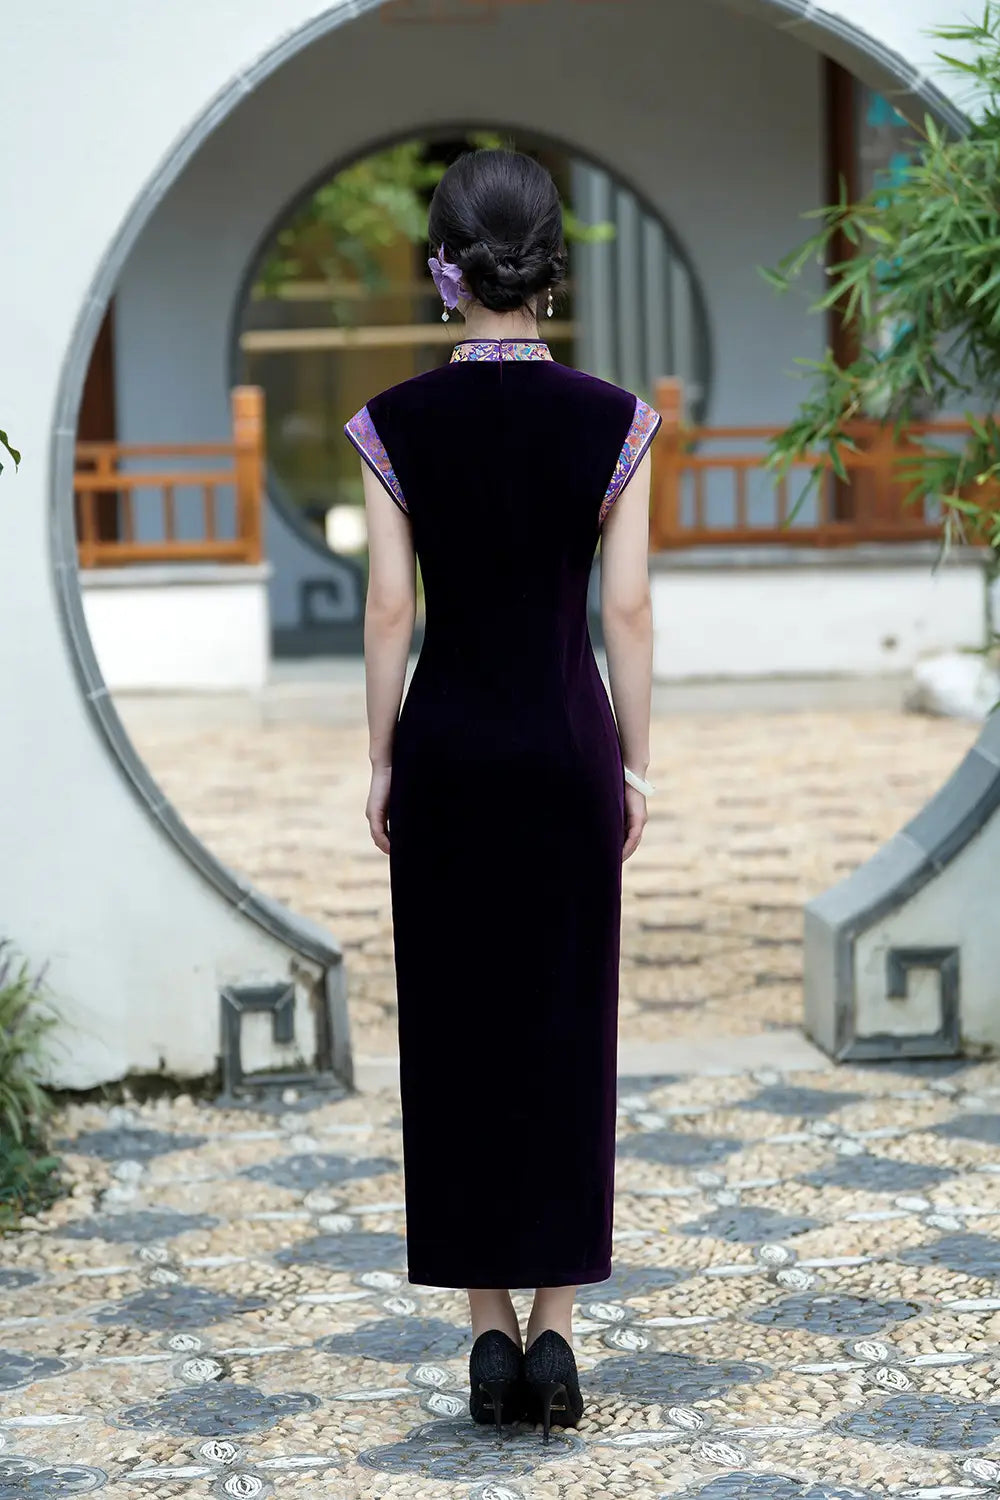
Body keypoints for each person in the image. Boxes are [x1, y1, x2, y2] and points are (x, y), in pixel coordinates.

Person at [344, 147, 658, 1446]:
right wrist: (637, 762)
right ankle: (563, 1341)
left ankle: (487, 1333)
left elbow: (388, 610)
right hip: (569, 745)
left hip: (454, 750)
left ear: (447, 270)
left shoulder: (393, 423)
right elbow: (628, 609)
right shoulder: (616, 419)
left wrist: (378, 761)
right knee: (569, 1030)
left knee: (462, 1033)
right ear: (548, 268)